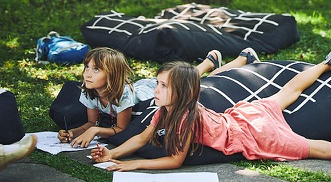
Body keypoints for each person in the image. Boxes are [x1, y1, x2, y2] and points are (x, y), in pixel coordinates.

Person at [91, 47, 331, 170]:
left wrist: (134, 165)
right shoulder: (167, 110)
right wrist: (112, 154)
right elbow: (142, 138)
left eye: (161, 86)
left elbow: (175, 160)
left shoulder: (184, 118)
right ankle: (327, 62)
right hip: (243, 116)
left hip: (256, 135)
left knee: (318, 149)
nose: (155, 91)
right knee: (288, 92)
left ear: (180, 93)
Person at [58, 46, 259, 148]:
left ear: (111, 75)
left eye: (95, 69)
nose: (87, 73)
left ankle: (238, 60)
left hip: (151, 92)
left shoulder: (122, 95)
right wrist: (72, 132)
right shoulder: (90, 91)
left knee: (186, 82)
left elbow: (121, 128)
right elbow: (90, 123)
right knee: (187, 80)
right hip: (153, 89)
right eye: (87, 67)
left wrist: (94, 131)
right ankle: (210, 62)